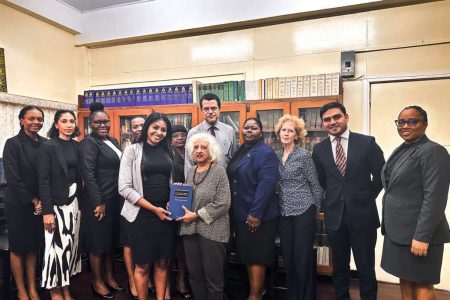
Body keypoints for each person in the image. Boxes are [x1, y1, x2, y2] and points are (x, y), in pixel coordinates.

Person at [312, 102, 385, 300]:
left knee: (365, 267)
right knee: (339, 267)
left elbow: (381, 176)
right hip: (335, 216)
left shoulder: (367, 143)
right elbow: (323, 180)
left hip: (363, 215)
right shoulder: (319, 149)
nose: (332, 122)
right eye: (327, 120)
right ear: (323, 124)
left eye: (337, 117)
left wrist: (366, 196)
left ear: (346, 117)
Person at [380, 106, 450, 300]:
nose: (405, 126)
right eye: (400, 122)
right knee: (407, 278)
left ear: (425, 124)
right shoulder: (403, 149)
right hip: (400, 232)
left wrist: (422, 236)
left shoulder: (433, 151)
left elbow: (435, 197)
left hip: (419, 234)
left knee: (422, 283)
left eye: (412, 121)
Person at [118, 112, 177, 300]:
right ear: (147, 128)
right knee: (142, 265)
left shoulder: (169, 151)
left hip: (166, 215)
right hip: (141, 216)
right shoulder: (132, 150)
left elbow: (171, 182)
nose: (159, 133)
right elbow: (124, 188)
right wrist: (153, 209)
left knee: (162, 263)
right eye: (155, 127)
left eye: (163, 130)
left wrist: (173, 198)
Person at [227, 118, 279, 300]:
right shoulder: (241, 151)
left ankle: (255, 295)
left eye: (254, 128)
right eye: (246, 127)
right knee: (247, 255)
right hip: (240, 213)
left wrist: (255, 213)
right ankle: (259, 290)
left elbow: (267, 184)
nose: (249, 131)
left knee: (257, 256)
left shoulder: (266, 153)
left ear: (261, 131)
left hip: (258, 216)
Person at [178, 133, 231, 300]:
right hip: (190, 231)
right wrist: (174, 204)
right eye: (196, 147)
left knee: (214, 279)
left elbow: (223, 203)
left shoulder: (219, 171)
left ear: (211, 151)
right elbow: (188, 199)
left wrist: (197, 215)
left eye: (203, 147)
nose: (199, 151)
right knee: (194, 276)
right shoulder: (191, 172)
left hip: (213, 232)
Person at [275, 114, 322, 300]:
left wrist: (315, 211)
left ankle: (305, 296)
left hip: (304, 210)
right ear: (279, 133)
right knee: (288, 257)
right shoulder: (277, 155)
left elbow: (315, 185)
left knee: (302, 258)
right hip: (285, 211)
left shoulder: (303, 155)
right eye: (284, 130)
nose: (286, 133)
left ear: (297, 135)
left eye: (290, 131)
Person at [80, 102, 123, 299]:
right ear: (91, 124)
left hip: (115, 200)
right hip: (98, 201)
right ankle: (97, 281)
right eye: (98, 122)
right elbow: (88, 174)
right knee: (98, 244)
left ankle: (109, 276)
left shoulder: (113, 141)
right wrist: (98, 202)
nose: (103, 125)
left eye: (106, 121)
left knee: (110, 242)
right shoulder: (88, 143)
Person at [38, 110, 82, 300]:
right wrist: (47, 212)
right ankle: (54, 290)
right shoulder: (48, 146)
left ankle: (65, 288)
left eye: (72, 121)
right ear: (56, 125)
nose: (69, 125)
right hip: (56, 205)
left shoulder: (76, 145)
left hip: (74, 204)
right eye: (64, 121)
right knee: (54, 249)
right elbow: (44, 181)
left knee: (69, 249)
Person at [3, 105, 46, 300]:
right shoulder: (13, 144)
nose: (36, 122)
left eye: (40, 119)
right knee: (19, 247)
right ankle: (21, 290)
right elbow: (13, 177)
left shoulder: (46, 143)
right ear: (22, 120)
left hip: (41, 205)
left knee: (34, 246)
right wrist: (34, 199)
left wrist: (43, 200)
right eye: (31, 118)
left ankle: (33, 288)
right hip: (19, 204)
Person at [121, 115, 146, 299]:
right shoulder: (130, 150)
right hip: (132, 206)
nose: (138, 129)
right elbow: (124, 185)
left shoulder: (160, 147)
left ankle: (146, 279)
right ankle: (132, 279)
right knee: (129, 243)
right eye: (134, 126)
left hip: (155, 208)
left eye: (141, 125)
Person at [185, 93, 236, 174]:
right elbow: (189, 164)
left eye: (213, 108)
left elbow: (233, 160)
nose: (210, 112)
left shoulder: (229, 130)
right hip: (201, 182)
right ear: (201, 111)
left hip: (225, 181)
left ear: (219, 109)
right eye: (206, 109)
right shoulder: (194, 133)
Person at [170, 125, 191, 299]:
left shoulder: (192, 152)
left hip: (191, 204)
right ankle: (172, 281)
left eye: (183, 135)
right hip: (173, 204)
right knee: (173, 245)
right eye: (175, 135)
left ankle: (182, 278)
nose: (179, 138)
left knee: (185, 245)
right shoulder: (168, 155)